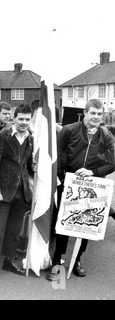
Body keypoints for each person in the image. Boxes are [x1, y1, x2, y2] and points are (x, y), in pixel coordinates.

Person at [46, 99, 115, 281]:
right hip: (69, 181)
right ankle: (57, 261)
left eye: (100, 114)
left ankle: (77, 259)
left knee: (86, 225)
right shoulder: (69, 130)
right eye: (93, 113)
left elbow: (112, 162)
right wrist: (60, 176)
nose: (96, 117)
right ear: (85, 113)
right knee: (64, 222)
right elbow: (57, 155)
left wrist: (93, 172)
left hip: (92, 184)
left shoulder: (106, 135)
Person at [0, 104, 34, 287]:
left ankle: (9, 261)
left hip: (22, 194)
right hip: (2, 194)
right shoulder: (1, 136)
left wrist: (31, 189)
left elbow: (28, 166)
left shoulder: (31, 138)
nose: (24, 122)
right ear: (14, 118)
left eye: (27, 119)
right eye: (21, 119)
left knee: (14, 232)